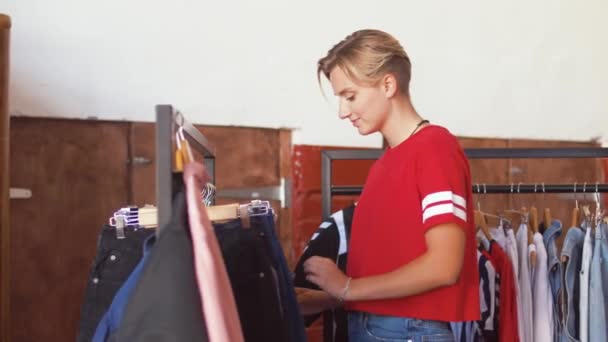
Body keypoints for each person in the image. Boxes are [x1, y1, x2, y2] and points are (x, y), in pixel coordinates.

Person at [301, 29, 481, 341]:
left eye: (350, 96)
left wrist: (347, 287)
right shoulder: (388, 161)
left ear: (387, 84)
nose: (343, 112)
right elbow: (396, 265)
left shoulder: (434, 148)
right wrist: (331, 297)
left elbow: (443, 265)